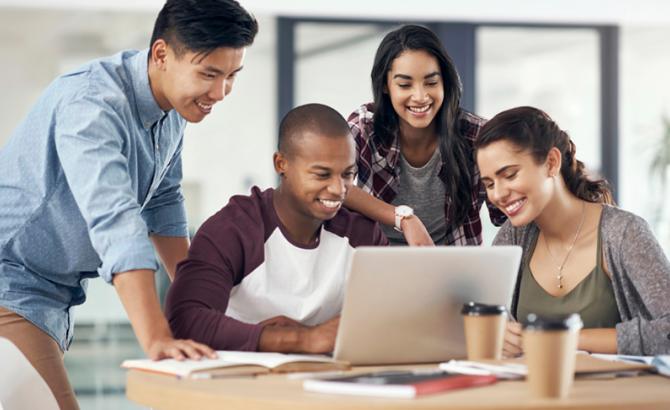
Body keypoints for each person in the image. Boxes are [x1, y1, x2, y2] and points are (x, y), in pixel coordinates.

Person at [0, 1, 257, 408]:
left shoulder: (171, 109)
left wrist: (198, 297)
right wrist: (156, 337)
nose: (220, 93)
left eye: (231, 76)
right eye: (209, 74)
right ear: (161, 55)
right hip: (10, 285)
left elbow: (164, 201)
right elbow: (114, 218)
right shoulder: (92, 104)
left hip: (53, 296)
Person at [165, 103, 388, 353]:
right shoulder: (232, 230)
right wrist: (302, 340)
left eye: (348, 174)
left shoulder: (362, 235)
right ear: (281, 164)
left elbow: (394, 315)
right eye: (322, 175)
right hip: (241, 384)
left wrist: (310, 337)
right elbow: (185, 319)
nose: (339, 189)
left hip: (331, 383)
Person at [475, 106, 670, 356]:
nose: (498, 194)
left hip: (617, 393)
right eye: (489, 184)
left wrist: (559, 337)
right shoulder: (513, 238)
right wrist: (498, 333)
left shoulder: (623, 233)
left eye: (510, 175)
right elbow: (487, 320)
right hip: (531, 392)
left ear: (551, 162)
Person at [346, 24, 505, 246]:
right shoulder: (364, 127)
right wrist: (403, 219)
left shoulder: (475, 134)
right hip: (378, 261)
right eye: (404, 84)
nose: (420, 96)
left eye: (431, 82)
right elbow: (335, 186)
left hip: (450, 267)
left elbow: (506, 212)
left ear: (445, 82)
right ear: (385, 86)